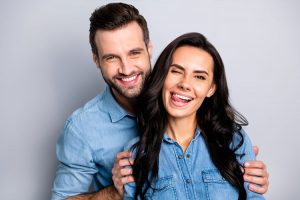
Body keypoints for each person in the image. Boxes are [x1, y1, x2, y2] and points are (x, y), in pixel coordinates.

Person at [51, 3, 269, 200]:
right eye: (111, 57)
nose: (126, 69)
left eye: (134, 53)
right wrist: (113, 193)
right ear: (96, 60)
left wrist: (243, 172)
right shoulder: (82, 128)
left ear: (149, 48)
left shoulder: (225, 133)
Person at [123, 32, 265, 199]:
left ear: (211, 89)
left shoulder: (233, 141)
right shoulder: (136, 154)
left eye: (199, 77)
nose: (185, 84)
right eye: (176, 71)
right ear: (162, 77)